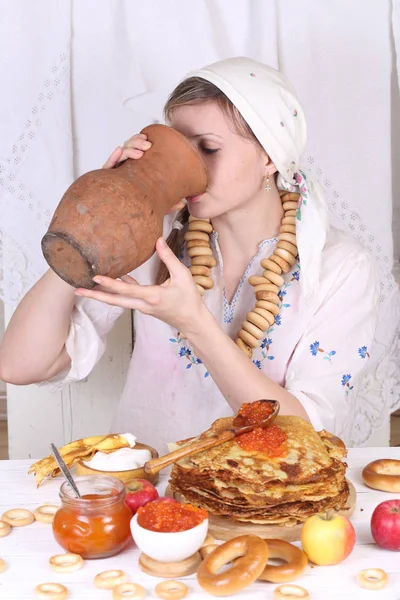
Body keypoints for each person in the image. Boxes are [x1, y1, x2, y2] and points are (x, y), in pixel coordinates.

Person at [0, 57, 379, 451]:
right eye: (177, 146)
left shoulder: (341, 268)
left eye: (209, 148)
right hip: (148, 500)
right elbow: (20, 364)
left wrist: (193, 322)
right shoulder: (152, 241)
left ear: (270, 157)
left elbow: (303, 439)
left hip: (266, 505)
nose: (187, 166)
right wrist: (98, 219)